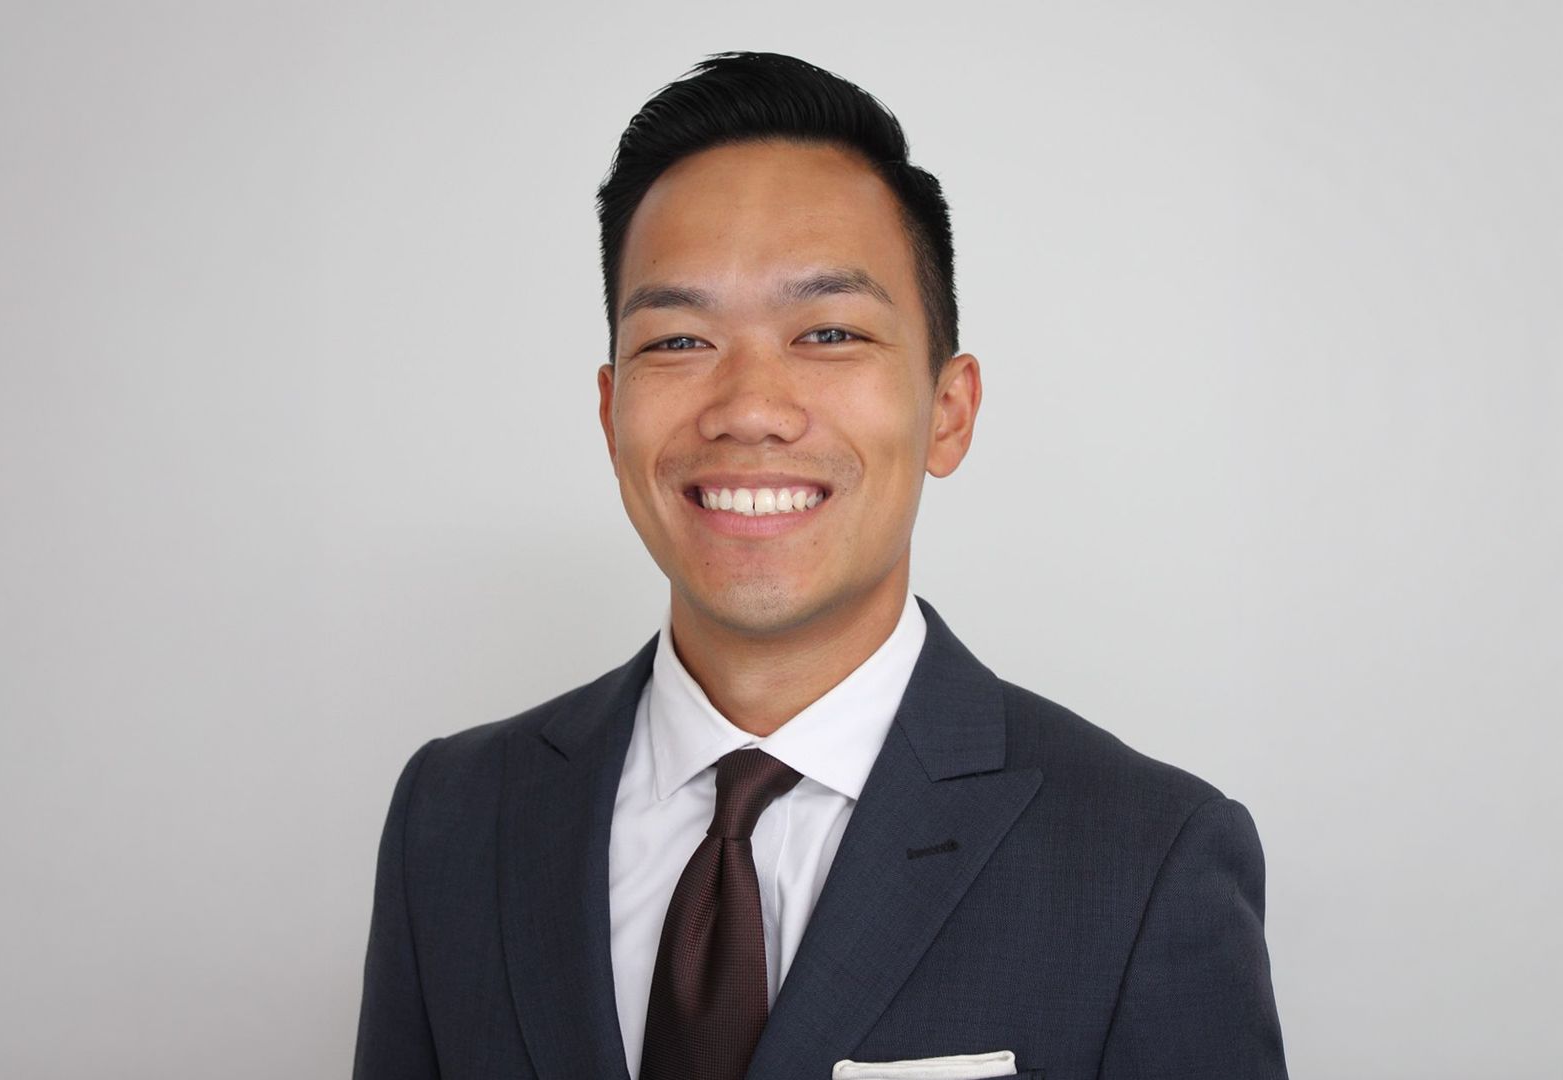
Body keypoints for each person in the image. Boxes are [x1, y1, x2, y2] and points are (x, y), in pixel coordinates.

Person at [352, 51, 1288, 1080]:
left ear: (948, 410)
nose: (748, 407)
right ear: (609, 408)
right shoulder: (452, 819)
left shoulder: (1142, 858)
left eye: (828, 331)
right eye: (676, 341)